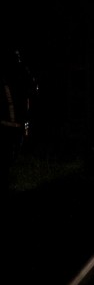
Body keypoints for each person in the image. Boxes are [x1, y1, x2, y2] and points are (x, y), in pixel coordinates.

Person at [2, 48, 36, 194]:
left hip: (13, 122)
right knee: (10, 152)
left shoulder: (21, 71)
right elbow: (33, 88)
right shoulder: (20, 71)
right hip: (11, 122)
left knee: (12, 152)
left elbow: (33, 89)